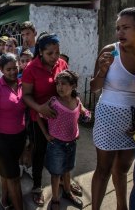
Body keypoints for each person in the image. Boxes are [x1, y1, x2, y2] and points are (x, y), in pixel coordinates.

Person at [90, 7, 135, 210]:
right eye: (118, 28)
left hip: (134, 124)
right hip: (107, 119)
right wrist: (102, 71)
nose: (120, 33)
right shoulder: (110, 51)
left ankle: (122, 207)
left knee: (123, 169)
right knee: (103, 169)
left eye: (126, 28)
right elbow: (94, 88)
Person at [22, 33, 68, 206]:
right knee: (40, 152)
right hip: (38, 118)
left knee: (63, 149)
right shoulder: (31, 68)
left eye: (57, 52)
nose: (55, 57)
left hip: (60, 118)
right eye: (50, 53)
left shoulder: (62, 64)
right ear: (40, 52)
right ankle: (37, 186)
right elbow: (26, 95)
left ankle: (65, 182)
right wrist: (39, 108)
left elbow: (68, 85)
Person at [37, 70, 91, 209]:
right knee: (56, 174)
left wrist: (85, 117)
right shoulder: (54, 102)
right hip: (56, 145)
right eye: (58, 84)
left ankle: (67, 192)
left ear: (73, 86)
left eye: (64, 84)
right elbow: (38, 115)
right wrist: (46, 135)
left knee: (67, 170)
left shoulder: (77, 101)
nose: (60, 87)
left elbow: (81, 113)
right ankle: (55, 199)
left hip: (72, 144)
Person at [0, 53, 26, 210]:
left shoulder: (23, 84)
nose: (12, 72)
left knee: (7, 173)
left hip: (19, 137)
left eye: (15, 68)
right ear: (1, 70)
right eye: (8, 69)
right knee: (14, 178)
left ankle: (4, 198)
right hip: (1, 140)